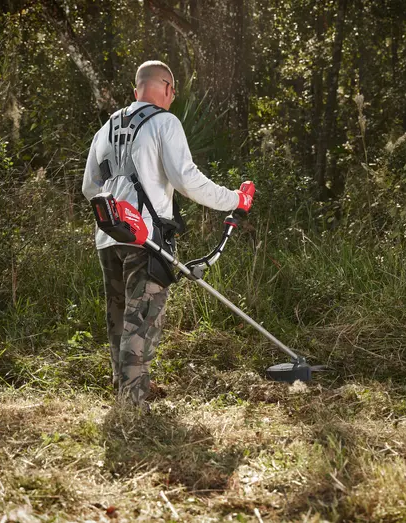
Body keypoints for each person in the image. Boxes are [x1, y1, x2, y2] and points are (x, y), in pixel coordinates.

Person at [82, 60, 254, 409]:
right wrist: (236, 199)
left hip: (108, 235)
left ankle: (127, 386)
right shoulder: (165, 122)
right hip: (144, 238)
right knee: (143, 318)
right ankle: (132, 402)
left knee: (119, 315)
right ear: (167, 87)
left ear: (136, 90)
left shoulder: (106, 129)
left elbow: (89, 187)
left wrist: (118, 205)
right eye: (173, 91)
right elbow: (188, 180)